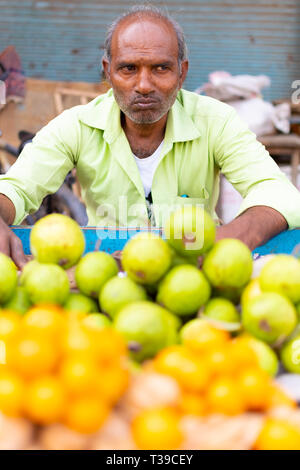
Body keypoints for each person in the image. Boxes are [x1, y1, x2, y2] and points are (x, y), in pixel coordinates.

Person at [0, 4, 300, 269]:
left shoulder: (215, 122)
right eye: (128, 68)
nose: (144, 84)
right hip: (106, 275)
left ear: (182, 74)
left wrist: (234, 237)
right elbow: (17, 188)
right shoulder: (76, 126)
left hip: (191, 276)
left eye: (161, 68)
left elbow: (279, 193)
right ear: (108, 72)